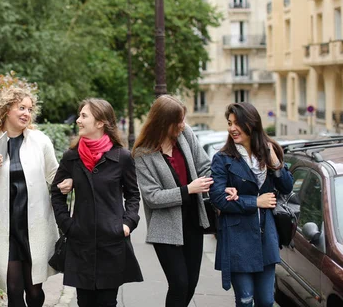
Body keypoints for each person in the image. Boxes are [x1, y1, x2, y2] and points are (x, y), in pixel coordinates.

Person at [133, 95, 237, 307]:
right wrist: (187, 190)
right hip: (165, 229)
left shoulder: (185, 135)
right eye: (177, 121)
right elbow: (152, 197)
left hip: (193, 222)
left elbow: (204, 166)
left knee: (191, 283)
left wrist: (221, 186)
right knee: (179, 283)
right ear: (163, 122)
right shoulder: (142, 154)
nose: (182, 125)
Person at [0, 87, 71, 307]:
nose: (27, 113)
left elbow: (54, 174)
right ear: (7, 110)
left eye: (30, 109)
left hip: (35, 227)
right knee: (14, 291)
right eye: (21, 108)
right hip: (6, 230)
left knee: (35, 292)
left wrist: (67, 183)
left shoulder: (40, 141)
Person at [50, 98, 142, 307]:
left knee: (107, 302)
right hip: (81, 244)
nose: (79, 121)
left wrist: (128, 224)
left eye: (84, 116)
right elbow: (56, 193)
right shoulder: (71, 158)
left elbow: (133, 196)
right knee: (85, 303)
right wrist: (67, 225)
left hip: (112, 243)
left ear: (100, 122)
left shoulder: (122, 157)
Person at [209, 102, 294, 307]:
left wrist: (275, 163)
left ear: (252, 123)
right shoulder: (222, 159)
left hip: (266, 236)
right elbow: (218, 198)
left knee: (266, 301)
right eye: (229, 123)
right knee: (245, 300)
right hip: (238, 238)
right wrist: (256, 201)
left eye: (237, 123)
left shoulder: (270, 150)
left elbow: (287, 187)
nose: (232, 128)